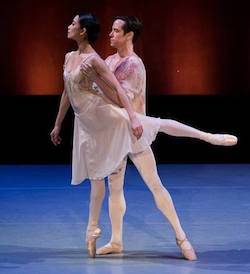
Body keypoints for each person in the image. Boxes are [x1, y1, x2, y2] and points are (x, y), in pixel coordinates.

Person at [50, 13, 237, 259]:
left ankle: (182, 237)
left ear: (129, 35)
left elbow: (118, 97)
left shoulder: (134, 65)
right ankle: (116, 241)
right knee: (114, 189)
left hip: (134, 132)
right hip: (113, 132)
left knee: (155, 184)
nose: (111, 34)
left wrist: (95, 78)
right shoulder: (107, 59)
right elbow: (89, 92)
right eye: (111, 30)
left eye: (116, 30)